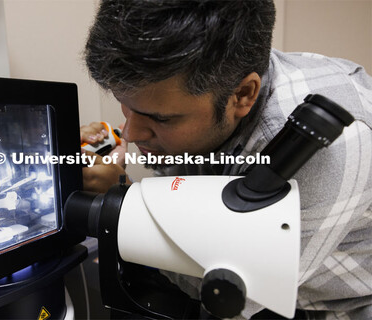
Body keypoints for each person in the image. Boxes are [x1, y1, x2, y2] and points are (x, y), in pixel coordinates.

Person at [80, 0, 372, 318]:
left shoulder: (327, 146)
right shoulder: (210, 84)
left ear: (243, 95)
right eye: (126, 105)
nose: (131, 132)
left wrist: (119, 201)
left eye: (159, 118)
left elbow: (237, 293)